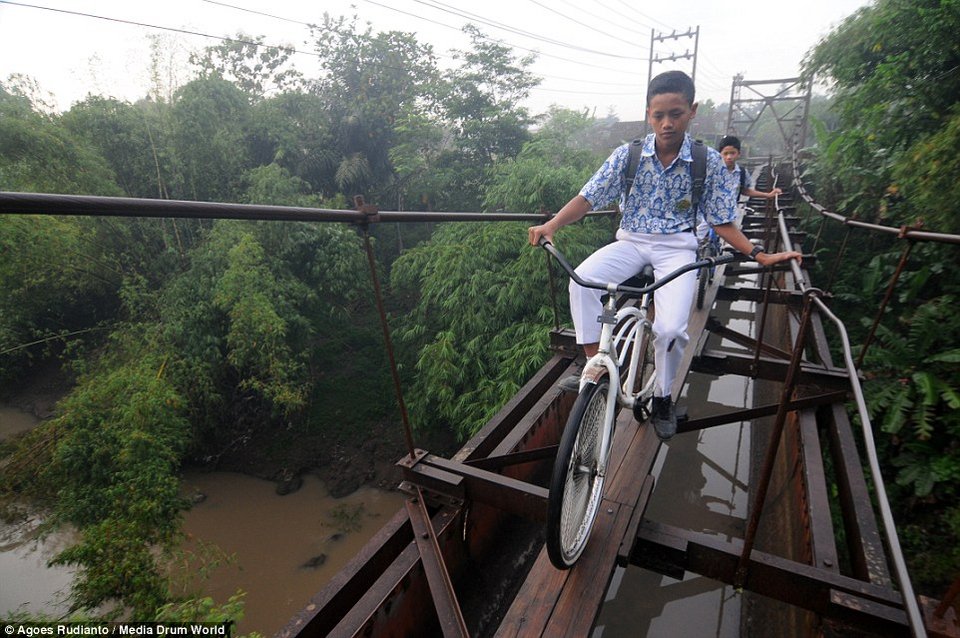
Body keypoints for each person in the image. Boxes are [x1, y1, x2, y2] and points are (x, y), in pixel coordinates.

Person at [527, 70, 801, 441]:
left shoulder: (709, 162)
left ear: (692, 111)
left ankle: (663, 397)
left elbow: (722, 222)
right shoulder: (628, 156)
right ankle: (595, 364)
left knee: (670, 330)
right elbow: (588, 197)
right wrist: (553, 225)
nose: (667, 123)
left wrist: (759, 254)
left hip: (678, 248)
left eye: (675, 113)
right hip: (632, 241)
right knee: (584, 279)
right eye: (658, 115)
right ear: (648, 114)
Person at [717, 135, 782, 202]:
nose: (729, 157)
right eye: (725, 153)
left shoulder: (742, 173)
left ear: (739, 154)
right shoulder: (713, 171)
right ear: (719, 154)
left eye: (732, 153)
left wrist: (768, 195)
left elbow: (744, 190)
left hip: (732, 211)